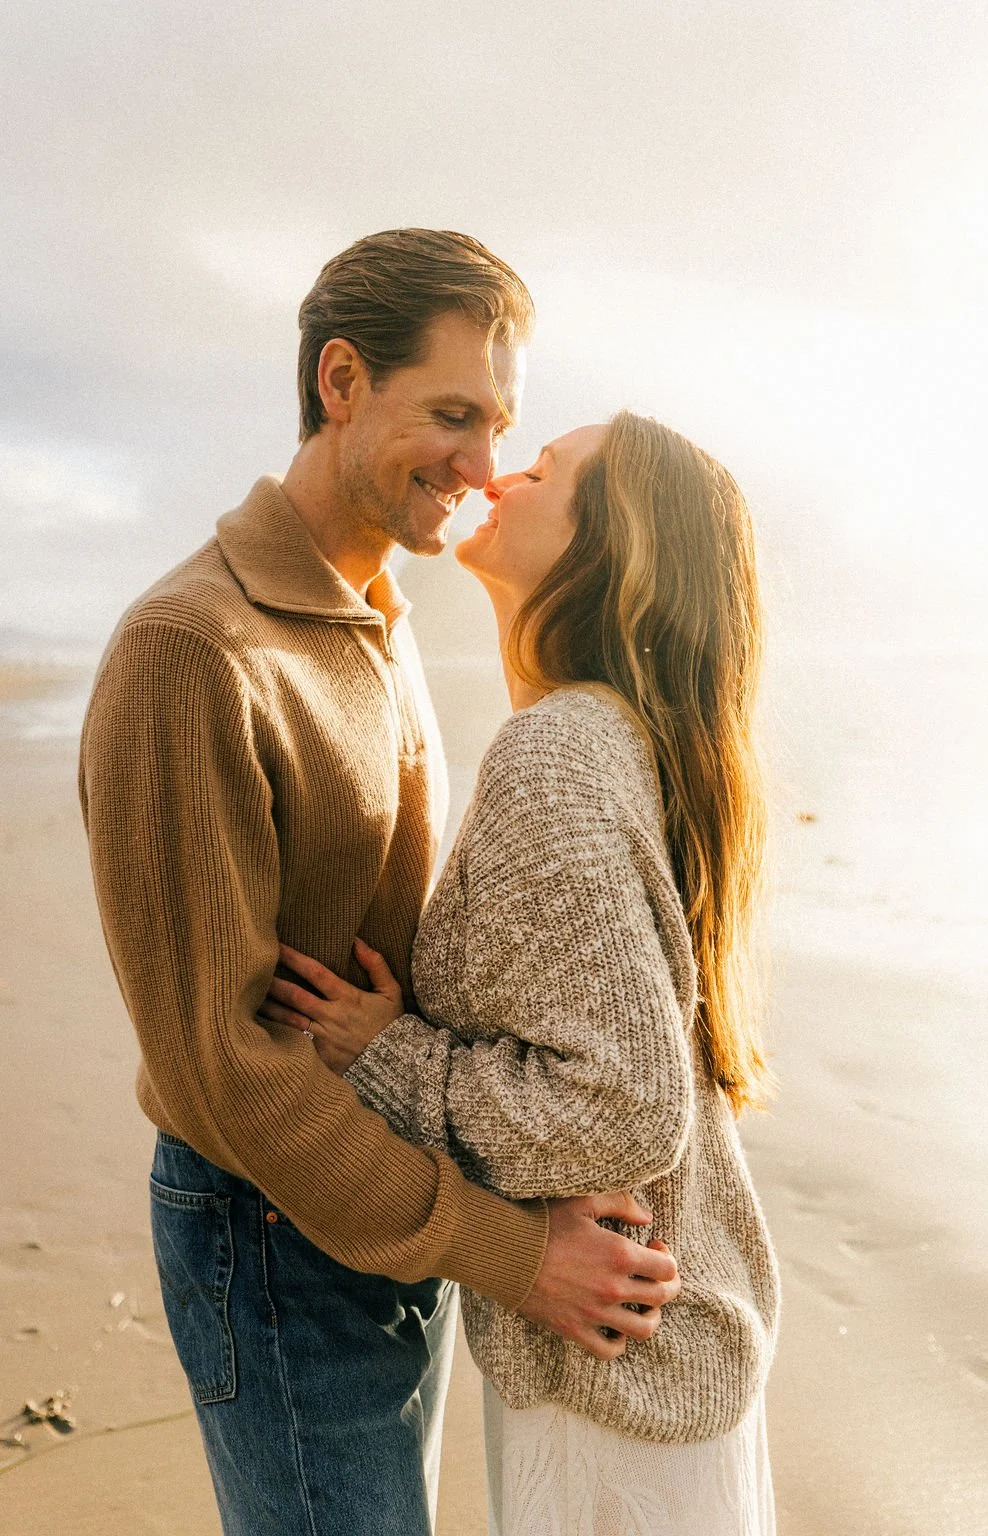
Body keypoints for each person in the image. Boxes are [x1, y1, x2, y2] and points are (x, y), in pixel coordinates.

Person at [78, 232, 681, 1536]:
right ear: (341, 380)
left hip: (401, 1206)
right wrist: (518, 1255)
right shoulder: (193, 649)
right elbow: (222, 1072)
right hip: (272, 1230)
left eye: (501, 425)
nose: (483, 466)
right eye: (453, 416)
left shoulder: (378, 611)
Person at [260, 411, 782, 1535]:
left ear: (609, 546)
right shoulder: (627, 739)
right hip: (657, 1351)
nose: (497, 479)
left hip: (613, 1380)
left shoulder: (555, 752)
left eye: (543, 471)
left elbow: (622, 1102)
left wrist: (390, 1054)